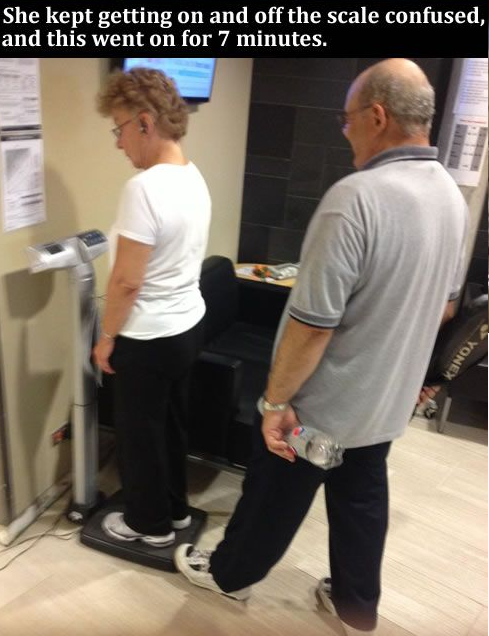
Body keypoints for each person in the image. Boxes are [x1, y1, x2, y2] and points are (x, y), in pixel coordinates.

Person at [174, 58, 467, 635]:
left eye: (347, 118)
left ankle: (230, 576)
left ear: (377, 116)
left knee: (272, 492)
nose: (344, 130)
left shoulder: (355, 198)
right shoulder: (451, 197)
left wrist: (275, 402)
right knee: (361, 497)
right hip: (384, 402)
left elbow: (312, 326)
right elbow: (444, 308)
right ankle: (356, 605)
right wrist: (406, 372)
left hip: (319, 410)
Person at [93, 67, 211, 547]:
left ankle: (149, 525)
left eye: (119, 129)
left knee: (139, 435)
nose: (119, 143)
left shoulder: (144, 188)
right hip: (187, 327)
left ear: (144, 122)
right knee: (171, 427)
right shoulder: (192, 175)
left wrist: (106, 339)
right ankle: (175, 511)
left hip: (147, 336)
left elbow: (127, 280)